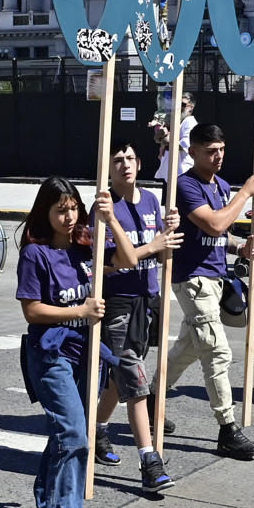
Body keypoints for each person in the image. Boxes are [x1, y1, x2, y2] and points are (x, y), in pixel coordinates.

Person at [15, 177, 134, 508]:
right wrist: (78, 310)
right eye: (59, 209)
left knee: (70, 431)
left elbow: (129, 260)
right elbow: (32, 311)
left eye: (73, 208)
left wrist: (111, 219)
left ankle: (49, 500)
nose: (68, 217)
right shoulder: (36, 254)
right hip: (50, 354)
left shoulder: (88, 246)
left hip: (87, 352)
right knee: (74, 433)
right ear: (45, 212)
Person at [164, 124, 254, 460]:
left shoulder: (222, 185)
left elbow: (222, 238)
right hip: (192, 280)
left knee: (189, 349)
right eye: (210, 150)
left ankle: (151, 400)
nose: (218, 156)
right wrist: (246, 193)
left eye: (222, 149)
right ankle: (228, 429)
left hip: (216, 278)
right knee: (218, 352)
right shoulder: (184, 186)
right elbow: (214, 224)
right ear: (192, 152)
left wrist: (242, 249)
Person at [91, 142, 183, 489]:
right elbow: (114, 262)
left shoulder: (150, 201)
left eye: (130, 157)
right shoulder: (103, 208)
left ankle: (97, 429)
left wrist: (169, 233)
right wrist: (154, 245)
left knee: (120, 381)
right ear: (109, 170)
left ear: (140, 163)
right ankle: (149, 460)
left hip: (148, 300)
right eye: (118, 160)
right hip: (117, 305)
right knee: (136, 379)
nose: (125, 164)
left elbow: (163, 253)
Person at [154, 92, 196, 183]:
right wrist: (159, 135)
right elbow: (157, 139)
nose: (179, 107)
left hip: (182, 173)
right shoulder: (175, 121)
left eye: (183, 104)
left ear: (191, 108)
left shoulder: (189, 122)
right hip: (169, 173)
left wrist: (166, 141)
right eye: (177, 104)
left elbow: (185, 145)